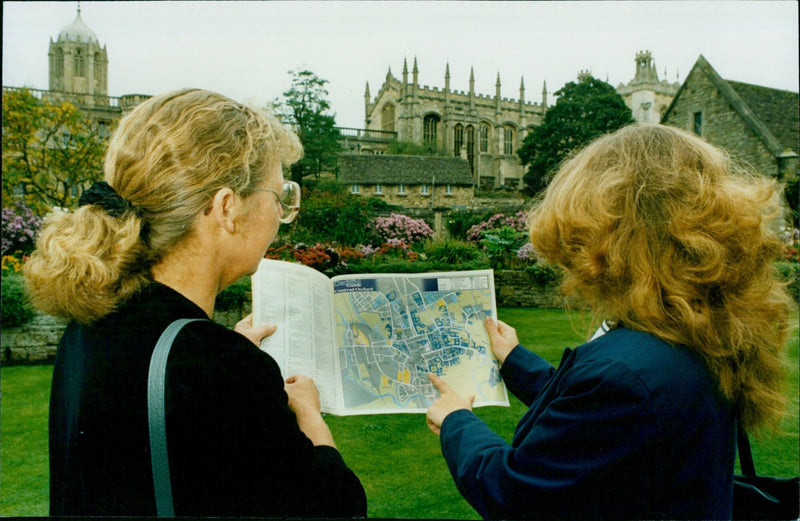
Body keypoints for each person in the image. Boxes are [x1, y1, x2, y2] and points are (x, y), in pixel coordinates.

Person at [24, 88, 367, 517]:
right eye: (278, 198)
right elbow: (337, 508)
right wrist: (309, 416)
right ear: (227, 209)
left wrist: (217, 349)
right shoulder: (221, 369)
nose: (281, 215)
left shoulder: (90, 324)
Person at [426, 123, 794, 520]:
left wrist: (456, 422)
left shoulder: (626, 371)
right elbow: (597, 420)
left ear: (608, 235)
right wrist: (514, 359)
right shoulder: (695, 328)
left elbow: (517, 492)